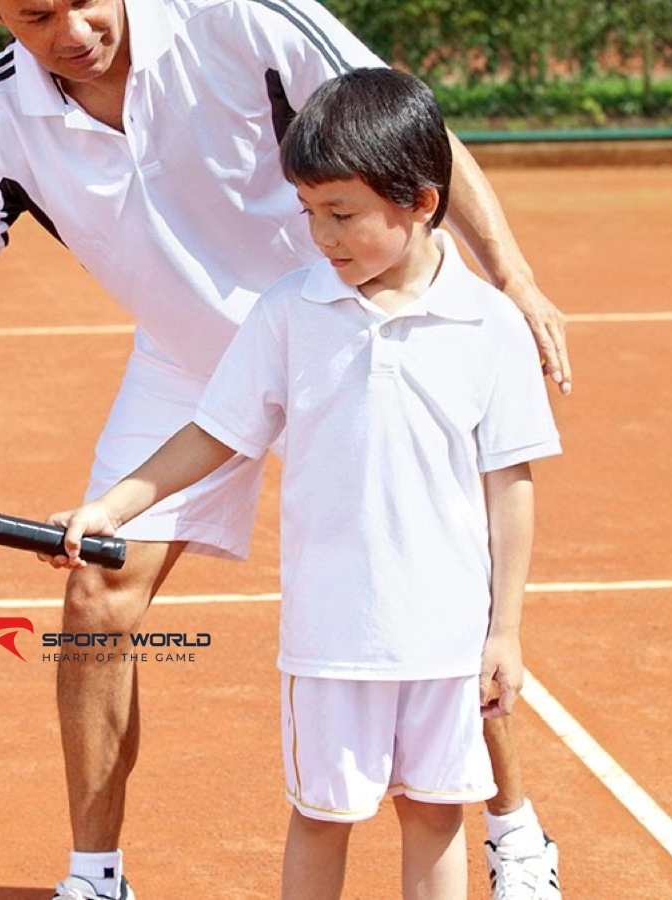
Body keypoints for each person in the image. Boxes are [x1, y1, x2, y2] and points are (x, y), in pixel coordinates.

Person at [0, 2, 570, 897]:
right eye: (35, 14)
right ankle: (95, 875)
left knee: (430, 588)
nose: (73, 30)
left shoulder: (242, 20)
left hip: (343, 322)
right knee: (96, 589)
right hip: (190, 364)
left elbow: (414, 130)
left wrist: (513, 278)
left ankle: (513, 832)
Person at [47, 67, 562, 900]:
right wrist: (115, 503)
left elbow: (511, 484)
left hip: (447, 640)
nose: (321, 236)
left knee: (436, 816)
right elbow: (215, 433)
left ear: (422, 203)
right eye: (309, 213)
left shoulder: (491, 326)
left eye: (343, 214)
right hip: (331, 642)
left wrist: (503, 631)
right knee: (323, 817)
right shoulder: (289, 310)